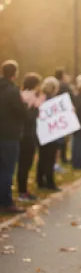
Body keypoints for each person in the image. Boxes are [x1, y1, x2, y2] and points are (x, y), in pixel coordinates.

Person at [0, 60, 34, 213]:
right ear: (15, 74)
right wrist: (28, 104)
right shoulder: (12, 90)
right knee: (7, 169)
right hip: (10, 135)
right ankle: (6, 202)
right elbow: (22, 113)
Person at [17, 73, 45, 202]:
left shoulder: (25, 95)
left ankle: (24, 191)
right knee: (24, 164)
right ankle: (22, 192)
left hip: (29, 135)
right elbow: (28, 117)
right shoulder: (26, 97)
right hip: (26, 136)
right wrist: (36, 107)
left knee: (26, 164)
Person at [37, 77, 61, 192]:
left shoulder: (40, 99)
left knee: (42, 158)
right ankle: (50, 183)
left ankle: (40, 181)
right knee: (50, 159)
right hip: (52, 134)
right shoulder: (54, 101)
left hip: (42, 134)